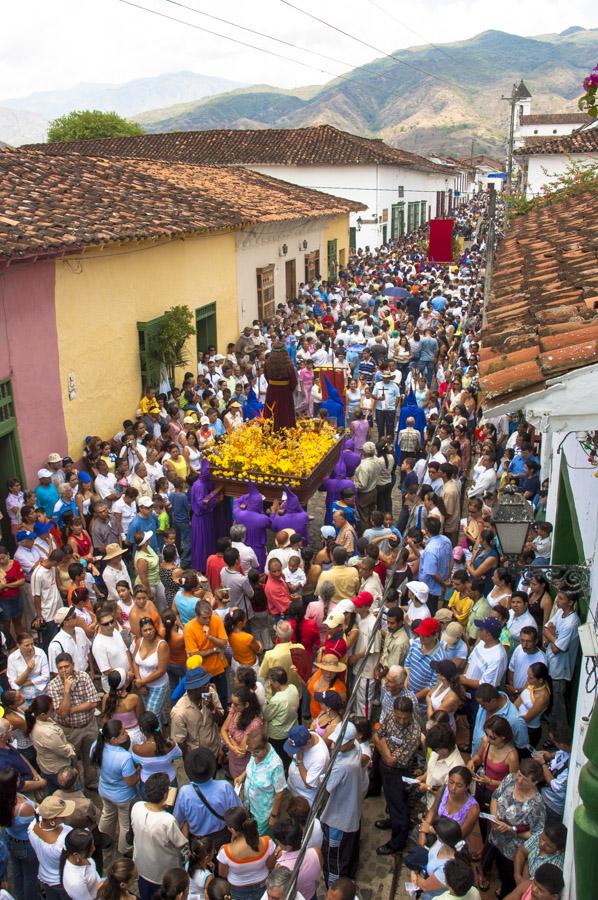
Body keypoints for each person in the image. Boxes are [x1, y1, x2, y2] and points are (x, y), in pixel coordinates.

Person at [482, 760, 546, 898]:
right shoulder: (510, 778)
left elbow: (536, 836)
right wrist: (494, 817)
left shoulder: (537, 805)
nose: (519, 780)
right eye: (519, 774)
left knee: (507, 877)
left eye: (524, 778)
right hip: (494, 836)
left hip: (511, 851)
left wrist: (512, 829)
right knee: (491, 860)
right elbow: (495, 797)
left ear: (535, 782)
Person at [373, 696, 421, 856]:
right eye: (398, 717)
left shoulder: (414, 732)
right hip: (384, 769)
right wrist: (385, 747)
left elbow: (393, 761)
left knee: (400, 807)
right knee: (391, 800)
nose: (401, 721)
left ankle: (397, 842)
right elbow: (377, 735)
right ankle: (392, 821)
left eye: (405, 718)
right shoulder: (390, 717)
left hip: (399, 773)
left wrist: (383, 745)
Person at [130, 772, 188, 900]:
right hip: (164, 872)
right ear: (165, 795)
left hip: (142, 866)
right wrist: (185, 827)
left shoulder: (136, 807)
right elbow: (181, 845)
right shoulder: (168, 820)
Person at [48, 652, 100, 791]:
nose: (64, 670)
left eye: (66, 666)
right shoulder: (54, 685)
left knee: (90, 756)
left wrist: (70, 710)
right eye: (60, 668)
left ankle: (92, 782)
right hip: (69, 730)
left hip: (89, 725)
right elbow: (62, 715)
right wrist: (66, 690)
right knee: (72, 761)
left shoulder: (83, 676)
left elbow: (93, 702)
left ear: (73, 665)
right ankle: (76, 788)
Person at [320, 721, 363, 884]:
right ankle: (349, 880)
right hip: (352, 813)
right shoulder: (356, 748)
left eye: (341, 743)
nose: (335, 745)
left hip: (337, 820)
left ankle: (335, 888)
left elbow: (326, 786)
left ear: (352, 741)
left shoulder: (344, 766)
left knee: (334, 859)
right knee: (349, 853)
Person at [91, 719, 141, 856]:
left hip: (104, 790)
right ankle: (124, 849)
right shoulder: (124, 757)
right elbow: (131, 781)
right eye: (123, 732)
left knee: (107, 814)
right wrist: (138, 772)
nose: (127, 733)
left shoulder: (96, 746)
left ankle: (104, 839)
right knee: (125, 824)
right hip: (124, 796)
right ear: (113, 739)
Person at [173, 748, 238, 848]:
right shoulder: (225, 787)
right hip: (223, 836)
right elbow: (237, 811)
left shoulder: (185, 792)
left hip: (198, 841)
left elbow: (177, 819)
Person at [236, 729, 286, 837]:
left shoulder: (275, 765)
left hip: (263, 811)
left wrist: (273, 816)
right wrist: (242, 776)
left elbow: (280, 792)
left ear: (265, 747)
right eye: (251, 752)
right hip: (250, 804)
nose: (253, 755)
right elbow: (252, 766)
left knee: (259, 837)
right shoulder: (255, 753)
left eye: (256, 752)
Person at [543, 588, 580, 730]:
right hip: (552, 665)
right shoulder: (559, 612)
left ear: (570, 602)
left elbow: (557, 649)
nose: (557, 601)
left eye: (561, 598)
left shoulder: (572, 622)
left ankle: (557, 736)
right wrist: (553, 636)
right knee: (552, 701)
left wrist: (551, 636)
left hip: (561, 670)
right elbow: (546, 629)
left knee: (559, 707)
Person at [0, 765, 38, 900]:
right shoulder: (23, 808)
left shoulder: (5, 800)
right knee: (30, 877)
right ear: (14, 783)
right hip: (26, 844)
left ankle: (20, 896)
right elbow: (38, 817)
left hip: (10, 838)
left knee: (17, 873)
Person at [170, 663, 224, 757]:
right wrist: (190, 762)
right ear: (193, 689)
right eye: (204, 685)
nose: (208, 686)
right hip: (197, 757)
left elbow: (220, 721)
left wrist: (212, 708)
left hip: (215, 750)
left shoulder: (210, 693)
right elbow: (180, 742)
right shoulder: (179, 712)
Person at [25, 694, 76, 792]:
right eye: (51, 710)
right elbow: (63, 751)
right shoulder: (47, 733)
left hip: (47, 766)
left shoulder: (35, 719)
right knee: (70, 792)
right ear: (42, 714)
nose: (54, 711)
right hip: (57, 769)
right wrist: (70, 747)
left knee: (53, 791)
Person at [184, 598, 230, 708]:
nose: (208, 620)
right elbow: (194, 654)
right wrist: (214, 650)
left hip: (218, 668)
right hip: (203, 674)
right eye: (204, 618)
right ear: (196, 615)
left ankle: (223, 719)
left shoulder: (216, 620)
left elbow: (224, 644)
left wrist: (210, 637)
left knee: (223, 697)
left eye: (209, 617)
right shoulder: (189, 629)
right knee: (207, 701)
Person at [419, 766, 480, 848]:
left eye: (459, 785)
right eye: (451, 782)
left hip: (451, 848)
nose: (453, 788)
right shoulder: (443, 790)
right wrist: (423, 832)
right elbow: (433, 810)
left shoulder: (473, 809)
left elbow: (458, 837)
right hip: (433, 839)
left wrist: (431, 830)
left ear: (467, 786)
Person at [28, 795, 74, 900]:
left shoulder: (31, 828)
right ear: (52, 820)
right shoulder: (66, 836)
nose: (64, 817)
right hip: (63, 882)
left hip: (45, 878)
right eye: (62, 815)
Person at [131, 711, 182, 795]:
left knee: (149, 808)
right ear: (158, 725)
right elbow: (178, 756)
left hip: (147, 787)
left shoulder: (137, 749)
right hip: (170, 784)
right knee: (170, 807)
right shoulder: (171, 744)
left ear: (141, 729)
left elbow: (137, 764)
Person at [471, 684, 529, 756]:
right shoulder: (484, 702)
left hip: (495, 763)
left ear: (493, 701)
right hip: (476, 755)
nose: (481, 707)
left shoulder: (515, 719)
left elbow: (521, 746)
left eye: (483, 705)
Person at [405, 617, 446, 716]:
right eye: (420, 634)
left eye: (425, 635)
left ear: (435, 635)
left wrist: (413, 698)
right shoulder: (416, 643)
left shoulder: (440, 658)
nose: (421, 637)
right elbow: (408, 664)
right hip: (407, 694)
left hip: (421, 707)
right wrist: (406, 681)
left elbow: (432, 686)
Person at [272, 820, 323, 900]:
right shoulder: (317, 852)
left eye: (278, 842)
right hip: (311, 895)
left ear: (288, 846)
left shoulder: (280, 867)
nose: (277, 843)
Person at [220, 685, 263, 780]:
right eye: (232, 703)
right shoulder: (235, 711)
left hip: (244, 764)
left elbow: (241, 752)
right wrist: (232, 745)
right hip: (233, 759)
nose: (232, 706)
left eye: (236, 704)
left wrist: (229, 737)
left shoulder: (254, 723)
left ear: (246, 705)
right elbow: (223, 729)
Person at [132, 616, 170, 717]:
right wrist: (140, 682)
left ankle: (156, 732)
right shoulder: (139, 641)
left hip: (158, 685)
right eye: (145, 630)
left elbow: (161, 670)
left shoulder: (162, 645)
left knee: (151, 715)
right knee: (154, 711)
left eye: (150, 629)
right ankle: (163, 725)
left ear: (155, 629)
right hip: (143, 685)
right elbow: (135, 662)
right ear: (141, 631)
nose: (148, 632)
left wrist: (141, 682)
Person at [262, 667, 299, 771]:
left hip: (278, 735)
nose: (270, 684)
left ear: (277, 683)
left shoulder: (277, 699)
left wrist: (269, 694)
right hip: (291, 727)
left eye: (272, 682)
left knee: (279, 757)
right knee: (287, 754)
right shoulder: (293, 687)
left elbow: (267, 716)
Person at [535, 723, 571, 823]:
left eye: (554, 742)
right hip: (543, 793)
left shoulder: (569, 770)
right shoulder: (566, 749)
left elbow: (555, 786)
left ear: (562, 745)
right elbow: (561, 753)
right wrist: (550, 755)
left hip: (552, 806)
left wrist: (543, 764)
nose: (553, 744)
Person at [285, 724, 330, 804]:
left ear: (308, 743)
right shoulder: (304, 735)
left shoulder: (320, 757)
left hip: (305, 796)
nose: (297, 751)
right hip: (293, 786)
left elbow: (309, 784)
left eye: (299, 748)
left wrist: (300, 761)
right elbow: (290, 754)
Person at [92, 606, 133, 693]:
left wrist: (131, 670)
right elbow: (106, 670)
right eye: (106, 624)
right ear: (99, 624)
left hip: (127, 679)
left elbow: (126, 651)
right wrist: (126, 675)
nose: (110, 625)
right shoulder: (98, 644)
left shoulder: (115, 632)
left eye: (111, 621)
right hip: (114, 686)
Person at [513, 822, 566, 887]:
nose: (542, 844)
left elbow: (534, 887)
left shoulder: (554, 866)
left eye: (548, 846)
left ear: (559, 850)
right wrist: (517, 875)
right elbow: (521, 851)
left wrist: (526, 865)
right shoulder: (542, 834)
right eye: (542, 839)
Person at [514, 662, 552, 748]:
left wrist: (511, 721)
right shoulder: (531, 683)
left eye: (530, 678)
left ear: (540, 680)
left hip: (529, 730)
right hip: (518, 723)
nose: (527, 679)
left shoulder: (543, 697)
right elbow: (519, 700)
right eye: (527, 676)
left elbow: (527, 718)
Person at [419, 518, 453, 615]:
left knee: (429, 612)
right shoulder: (446, 540)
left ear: (426, 530)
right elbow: (451, 560)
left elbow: (433, 573)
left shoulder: (430, 550)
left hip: (431, 588)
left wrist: (444, 584)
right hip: (441, 582)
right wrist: (447, 577)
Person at [61, 827, 103, 900]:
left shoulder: (82, 858)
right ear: (76, 855)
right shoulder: (75, 882)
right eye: (90, 848)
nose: (94, 848)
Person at [7, 630, 49, 702]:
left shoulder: (40, 653)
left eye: (32, 644)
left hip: (40, 694)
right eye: (27, 645)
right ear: (18, 645)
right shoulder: (12, 658)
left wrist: (24, 683)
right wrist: (28, 670)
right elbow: (13, 682)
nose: (31, 647)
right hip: (23, 697)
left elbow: (46, 676)